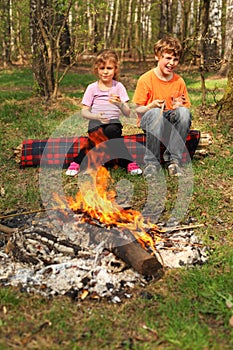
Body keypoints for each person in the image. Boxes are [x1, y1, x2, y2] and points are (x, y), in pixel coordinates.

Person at [66, 49, 142, 176]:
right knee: (97, 134)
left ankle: (126, 163)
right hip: (95, 121)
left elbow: (128, 112)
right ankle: (79, 162)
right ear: (96, 69)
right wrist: (96, 116)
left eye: (109, 68)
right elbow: (84, 112)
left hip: (113, 122)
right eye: (102, 68)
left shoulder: (118, 87)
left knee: (111, 132)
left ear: (115, 69)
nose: (105, 71)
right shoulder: (92, 88)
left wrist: (119, 104)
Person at [132, 35, 192, 177]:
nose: (172, 63)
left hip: (170, 122)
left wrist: (179, 106)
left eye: (175, 59)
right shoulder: (146, 79)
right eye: (168, 58)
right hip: (151, 120)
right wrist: (151, 106)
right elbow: (138, 109)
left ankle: (174, 161)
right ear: (157, 57)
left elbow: (185, 111)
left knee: (183, 112)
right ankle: (151, 163)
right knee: (154, 113)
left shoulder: (179, 81)